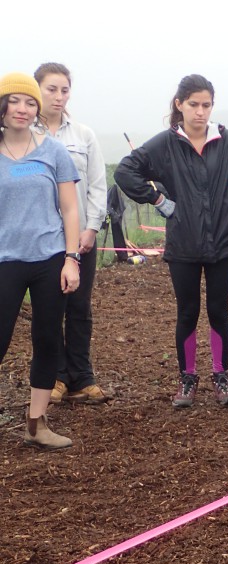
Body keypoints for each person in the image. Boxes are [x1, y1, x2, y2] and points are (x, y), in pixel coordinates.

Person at [115, 74, 228, 408]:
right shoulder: (164, 144)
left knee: (219, 310)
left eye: (206, 105)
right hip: (183, 244)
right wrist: (159, 202)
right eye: (193, 104)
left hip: (223, 242)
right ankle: (187, 379)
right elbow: (125, 172)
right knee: (188, 311)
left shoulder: (227, 141)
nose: (200, 112)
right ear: (179, 105)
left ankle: (221, 377)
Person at [0, 72, 80, 449]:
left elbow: (68, 209)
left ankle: (37, 424)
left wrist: (71, 258)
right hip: (5, 261)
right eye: (15, 101)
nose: (22, 108)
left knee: (48, 339)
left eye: (30, 102)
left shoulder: (53, 152)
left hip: (49, 259)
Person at [34, 63, 110, 406]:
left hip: (78, 239)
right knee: (49, 310)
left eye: (64, 90)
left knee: (79, 307)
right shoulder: (23, 135)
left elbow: (97, 185)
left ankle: (82, 375)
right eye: (51, 89)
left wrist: (91, 228)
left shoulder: (83, 135)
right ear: (37, 90)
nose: (58, 96)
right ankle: (55, 377)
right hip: (38, 241)